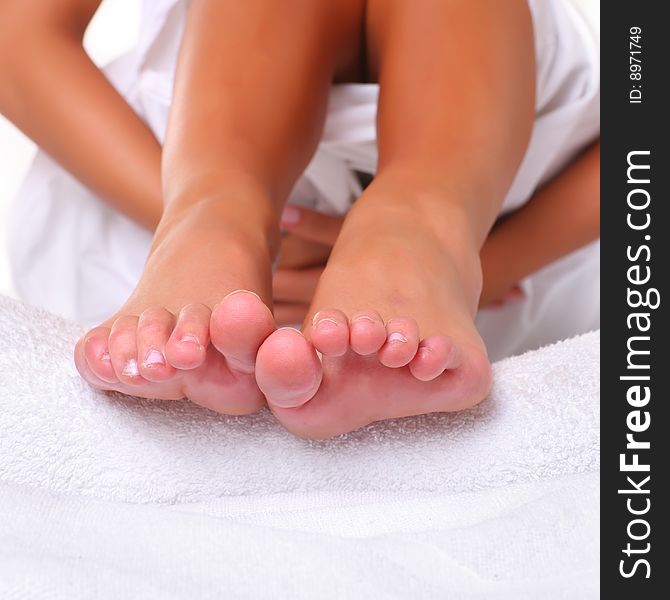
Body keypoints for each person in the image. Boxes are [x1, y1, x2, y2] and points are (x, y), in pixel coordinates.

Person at [0, 0, 599, 438]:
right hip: (172, 176)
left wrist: (493, 262)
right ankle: (214, 223)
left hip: (504, 217)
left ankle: (416, 232)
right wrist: (190, 213)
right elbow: (16, 36)